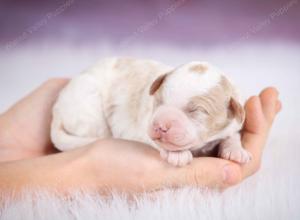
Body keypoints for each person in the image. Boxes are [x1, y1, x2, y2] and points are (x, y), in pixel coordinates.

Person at [0, 78, 281, 195]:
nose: (159, 125)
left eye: (196, 112)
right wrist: (86, 169)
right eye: (160, 103)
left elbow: (231, 130)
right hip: (92, 96)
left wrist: (231, 143)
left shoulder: (231, 112)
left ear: (235, 112)